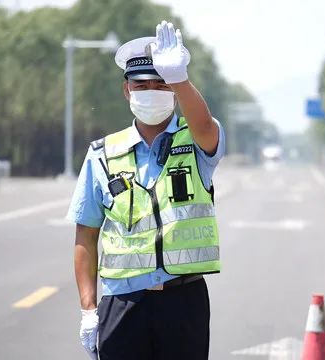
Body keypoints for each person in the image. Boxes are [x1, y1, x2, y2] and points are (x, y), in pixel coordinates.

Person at [67, 20, 224, 360]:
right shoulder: (102, 154)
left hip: (183, 302)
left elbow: (206, 126)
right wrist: (88, 310)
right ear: (127, 91)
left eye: (160, 83)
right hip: (123, 304)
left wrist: (180, 80)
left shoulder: (196, 141)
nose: (150, 90)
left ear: (172, 90)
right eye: (141, 85)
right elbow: (86, 235)